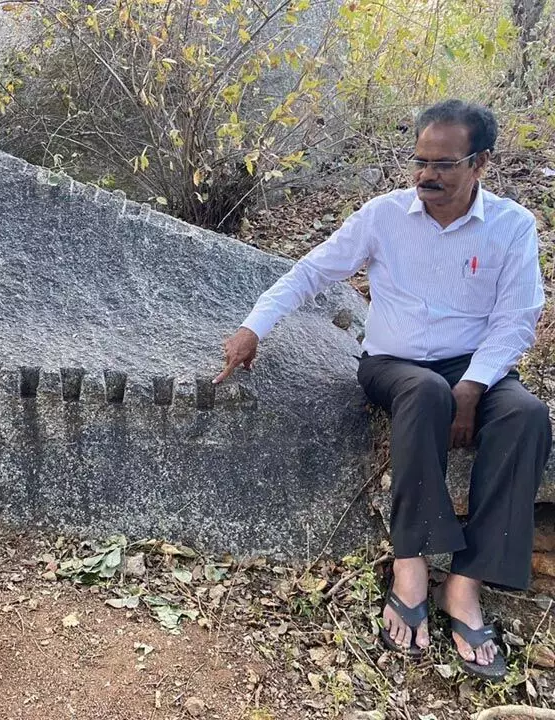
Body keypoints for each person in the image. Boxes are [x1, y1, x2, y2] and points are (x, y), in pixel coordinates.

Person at [216, 99, 551, 680]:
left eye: (445, 164)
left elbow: (517, 318)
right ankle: (411, 566)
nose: (428, 176)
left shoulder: (512, 226)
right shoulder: (384, 216)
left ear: (481, 164)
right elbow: (313, 271)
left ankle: (466, 585)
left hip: (476, 364)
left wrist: (474, 384)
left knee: (526, 416)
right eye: (420, 161)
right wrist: (253, 327)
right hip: (393, 366)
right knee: (424, 392)